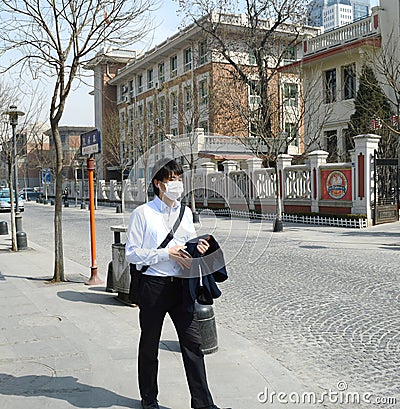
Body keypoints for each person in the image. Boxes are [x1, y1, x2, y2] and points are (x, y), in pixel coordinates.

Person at [125, 158, 229, 409]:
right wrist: (165, 254)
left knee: (193, 344)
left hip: (182, 287)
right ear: (158, 183)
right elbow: (132, 253)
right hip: (153, 286)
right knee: (150, 344)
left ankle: (203, 403)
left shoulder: (186, 213)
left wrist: (199, 248)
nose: (177, 185)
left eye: (179, 179)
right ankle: (149, 400)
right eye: (172, 180)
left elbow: (188, 244)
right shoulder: (143, 214)